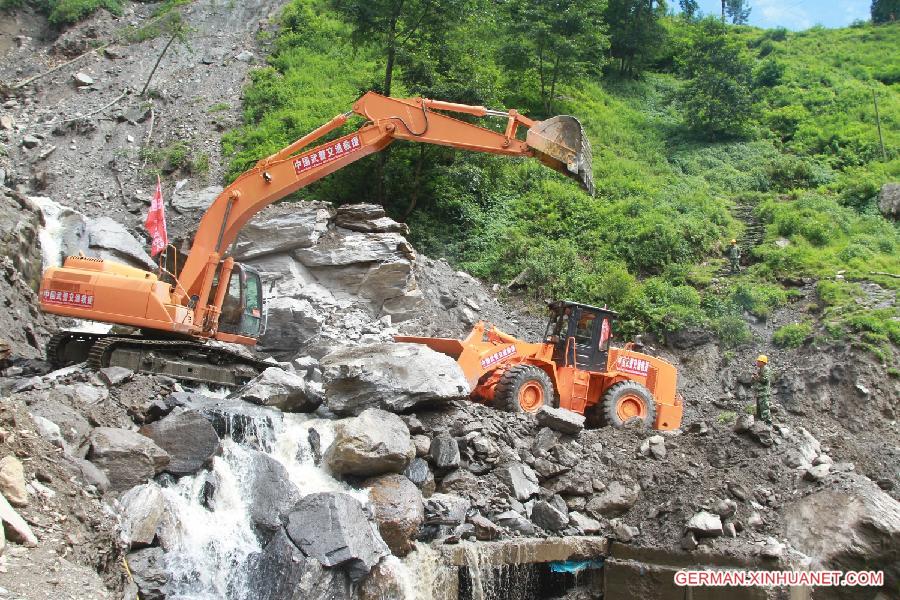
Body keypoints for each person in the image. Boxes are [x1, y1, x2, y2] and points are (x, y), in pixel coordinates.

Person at [753, 354, 772, 425]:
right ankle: (761, 424)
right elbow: (759, 381)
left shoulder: (766, 369)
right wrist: (755, 378)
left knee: (765, 409)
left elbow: (765, 380)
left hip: (764, 392)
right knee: (759, 409)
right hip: (759, 392)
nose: (757, 362)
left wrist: (757, 377)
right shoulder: (760, 369)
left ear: (763, 362)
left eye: (758, 361)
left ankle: (768, 424)